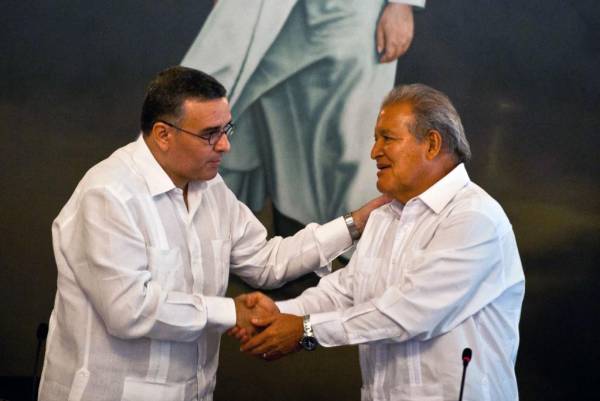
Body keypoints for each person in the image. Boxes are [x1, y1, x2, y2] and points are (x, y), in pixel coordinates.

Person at [37, 66, 387, 401]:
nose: (225, 146)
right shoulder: (108, 195)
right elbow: (129, 309)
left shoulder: (211, 188)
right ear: (163, 135)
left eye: (227, 130)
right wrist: (232, 312)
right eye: (210, 134)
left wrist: (353, 224)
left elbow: (265, 260)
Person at [235, 84, 526, 401]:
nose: (374, 152)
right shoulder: (384, 217)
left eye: (387, 138)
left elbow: (408, 313)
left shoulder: (474, 218)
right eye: (375, 139)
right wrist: (277, 315)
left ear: (432, 144)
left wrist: (303, 330)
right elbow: (346, 292)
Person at [182, 0, 426, 234]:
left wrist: (401, 4)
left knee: (347, 136)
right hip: (272, 13)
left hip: (352, 14)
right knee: (260, 119)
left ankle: (343, 251)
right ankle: (285, 243)